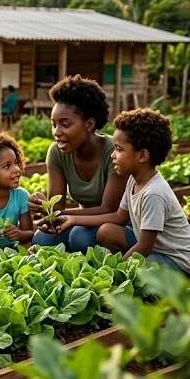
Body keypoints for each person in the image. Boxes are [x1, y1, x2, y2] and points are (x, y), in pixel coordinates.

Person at [56, 109, 190, 275]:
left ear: (142, 156)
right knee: (106, 231)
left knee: (142, 269)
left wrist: (116, 271)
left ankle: (131, 275)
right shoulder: (133, 180)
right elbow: (119, 217)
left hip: (176, 260)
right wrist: (74, 219)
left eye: (119, 149)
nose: (112, 156)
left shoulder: (154, 193)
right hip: (152, 248)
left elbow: (144, 246)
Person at [27, 75, 126, 252]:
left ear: (89, 124)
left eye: (65, 124)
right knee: (42, 239)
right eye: (53, 124)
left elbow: (108, 209)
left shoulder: (114, 152)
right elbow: (57, 207)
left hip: (114, 225)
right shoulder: (57, 153)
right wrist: (44, 207)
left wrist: (61, 216)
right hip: (81, 222)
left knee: (79, 237)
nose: (57, 132)